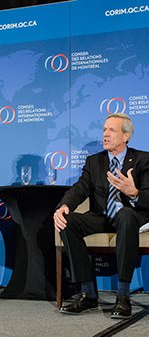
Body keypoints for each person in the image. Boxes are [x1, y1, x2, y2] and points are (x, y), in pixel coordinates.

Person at [54, 113, 149, 319]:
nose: (105, 134)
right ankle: (88, 293)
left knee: (125, 214)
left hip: (133, 217)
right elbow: (80, 189)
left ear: (126, 136)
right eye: (104, 130)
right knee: (67, 221)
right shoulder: (94, 162)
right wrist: (63, 206)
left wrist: (134, 193)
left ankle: (123, 296)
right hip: (103, 216)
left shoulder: (143, 159)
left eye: (111, 130)